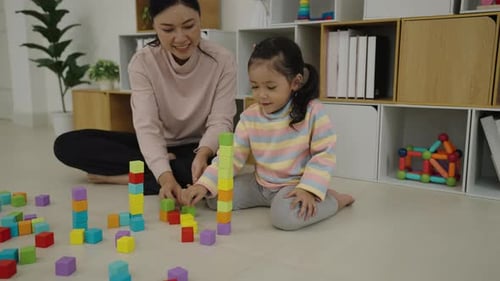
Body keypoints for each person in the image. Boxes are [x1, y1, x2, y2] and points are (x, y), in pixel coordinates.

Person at [53, 0, 236, 199]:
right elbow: (147, 126)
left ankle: (125, 177)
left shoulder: (222, 59)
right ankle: (161, 171)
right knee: (67, 144)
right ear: (154, 27)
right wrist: (165, 176)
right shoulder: (142, 62)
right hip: (155, 144)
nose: (181, 38)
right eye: (168, 29)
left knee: (223, 164)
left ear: (200, 20)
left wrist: (203, 154)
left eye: (189, 26)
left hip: (199, 147)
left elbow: (221, 121)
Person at [181, 37, 354, 231]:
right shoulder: (249, 117)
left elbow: (324, 153)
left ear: (295, 82)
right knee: (215, 198)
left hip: (294, 186)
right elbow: (230, 157)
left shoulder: (312, 111)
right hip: (259, 185)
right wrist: (203, 185)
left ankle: (334, 200)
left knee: (284, 217)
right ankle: (275, 200)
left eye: (270, 87)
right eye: (255, 86)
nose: (261, 94)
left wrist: (307, 188)